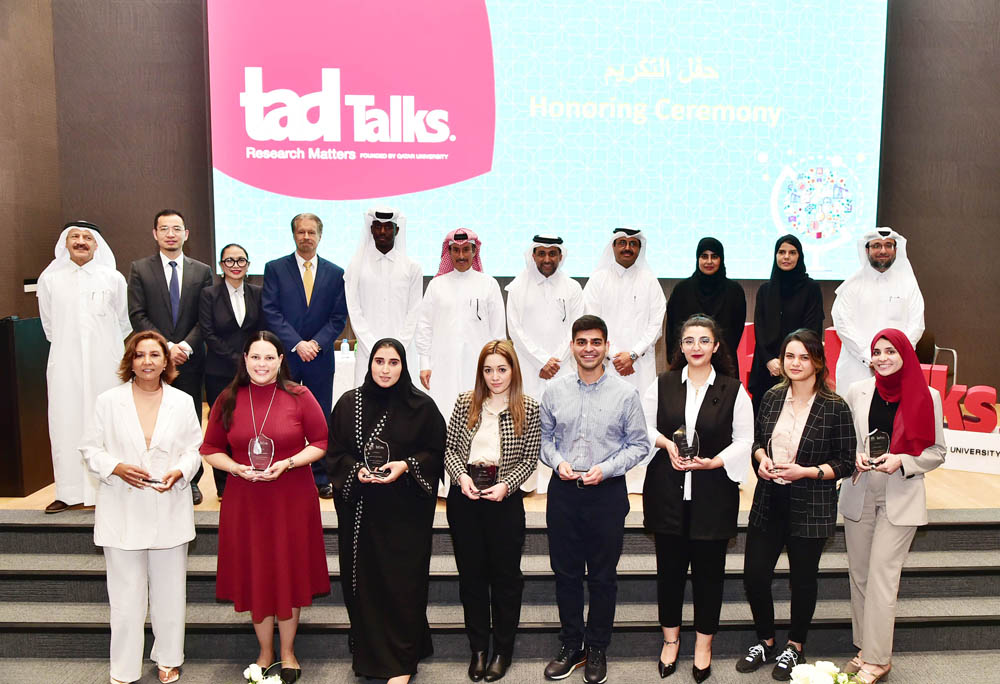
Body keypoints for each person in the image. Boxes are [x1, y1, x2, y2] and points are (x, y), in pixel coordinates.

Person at [200, 331, 330, 684]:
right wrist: (234, 468)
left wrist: (288, 463)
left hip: (291, 496)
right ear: (244, 360)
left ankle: (287, 652)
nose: (262, 364)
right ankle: (265, 652)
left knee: (288, 571)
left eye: (269, 357)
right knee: (256, 571)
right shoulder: (228, 398)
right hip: (246, 499)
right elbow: (210, 448)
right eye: (255, 357)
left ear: (280, 360)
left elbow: (321, 441)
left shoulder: (300, 396)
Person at [80, 330, 203, 684]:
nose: (147, 361)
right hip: (122, 507)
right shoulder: (108, 401)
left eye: (154, 354)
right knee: (125, 598)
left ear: (167, 361)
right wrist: (116, 467)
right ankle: (124, 667)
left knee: (169, 593)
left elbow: (194, 449)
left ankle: (169, 658)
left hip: (169, 505)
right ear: (129, 361)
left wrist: (181, 471)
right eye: (140, 355)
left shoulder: (182, 401)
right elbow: (90, 448)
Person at [736, 329, 855, 680]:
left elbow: (846, 462)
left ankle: (795, 646)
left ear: (817, 361)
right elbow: (758, 440)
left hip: (811, 502)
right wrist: (760, 458)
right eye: (790, 356)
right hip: (769, 498)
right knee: (754, 576)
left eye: (804, 356)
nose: (796, 363)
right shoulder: (772, 396)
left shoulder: (835, 406)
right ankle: (767, 641)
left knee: (803, 580)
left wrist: (807, 471)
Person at [326, 338, 446, 684]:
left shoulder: (421, 407)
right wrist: (357, 472)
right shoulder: (350, 404)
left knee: (403, 586)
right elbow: (336, 453)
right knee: (364, 584)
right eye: (380, 361)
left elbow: (436, 453)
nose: (385, 369)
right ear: (370, 363)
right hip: (363, 512)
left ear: (403, 366)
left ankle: (402, 663)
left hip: (405, 517)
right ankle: (370, 656)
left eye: (393, 362)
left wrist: (406, 465)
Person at [641, 314, 752, 682]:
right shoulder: (663, 383)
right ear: (680, 347)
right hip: (667, 495)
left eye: (704, 341)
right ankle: (670, 641)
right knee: (669, 574)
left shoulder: (734, 390)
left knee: (709, 577)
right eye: (689, 341)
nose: (696, 348)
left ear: (716, 346)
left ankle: (704, 645)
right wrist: (667, 444)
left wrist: (716, 462)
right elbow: (643, 425)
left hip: (712, 495)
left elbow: (744, 440)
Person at [540, 315, 649, 684]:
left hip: (606, 494)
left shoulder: (626, 393)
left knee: (603, 576)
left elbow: (640, 445)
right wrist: (557, 463)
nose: (589, 349)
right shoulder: (554, 391)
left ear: (606, 345)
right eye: (582, 342)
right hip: (564, 493)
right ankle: (572, 645)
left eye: (596, 342)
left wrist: (607, 468)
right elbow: (543, 440)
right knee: (566, 574)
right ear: (571, 346)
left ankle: (598, 647)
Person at [838, 329, 945, 684]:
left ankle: (878, 659)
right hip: (859, 490)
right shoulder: (858, 391)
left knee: (884, 576)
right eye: (877, 352)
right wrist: (852, 456)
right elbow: (845, 441)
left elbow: (937, 452)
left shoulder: (927, 395)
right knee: (861, 576)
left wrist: (902, 461)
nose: (882, 358)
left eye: (890, 351)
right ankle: (865, 648)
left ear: (905, 354)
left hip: (901, 493)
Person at [444, 340, 541, 682]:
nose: (495, 377)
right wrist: (460, 477)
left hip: (504, 500)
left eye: (502, 369)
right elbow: (450, 448)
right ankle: (478, 650)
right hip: (466, 499)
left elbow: (530, 458)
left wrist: (507, 485)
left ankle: (502, 650)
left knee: (505, 580)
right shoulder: (464, 403)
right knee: (471, 578)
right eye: (488, 370)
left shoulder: (528, 407)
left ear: (513, 370)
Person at [37, 220, 131, 513]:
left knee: (106, 423)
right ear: (65, 243)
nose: (80, 241)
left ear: (97, 244)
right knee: (65, 422)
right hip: (65, 365)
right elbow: (49, 327)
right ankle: (68, 491)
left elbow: (123, 322)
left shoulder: (113, 278)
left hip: (105, 364)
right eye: (74, 236)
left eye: (87, 237)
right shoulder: (50, 279)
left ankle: (109, 489)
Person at [128, 209, 214, 505]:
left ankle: (190, 479)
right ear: (155, 234)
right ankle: (153, 473)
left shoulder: (202, 271)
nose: (170, 234)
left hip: (189, 360)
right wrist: (166, 348)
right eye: (164, 229)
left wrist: (184, 347)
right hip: (153, 362)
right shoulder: (140, 269)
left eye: (176, 228)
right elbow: (137, 314)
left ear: (186, 234)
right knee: (153, 419)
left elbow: (206, 317)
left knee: (188, 420)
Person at [262, 212, 348, 499]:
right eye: (301, 232)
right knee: (281, 416)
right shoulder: (275, 268)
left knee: (320, 417)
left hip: (320, 358)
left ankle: (321, 475)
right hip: (286, 357)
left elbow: (338, 318)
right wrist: (298, 343)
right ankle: (282, 469)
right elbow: (270, 310)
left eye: (311, 232)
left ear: (320, 236)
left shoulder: (336, 273)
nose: (306, 237)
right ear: (294, 235)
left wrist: (316, 343)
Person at [505, 234, 582, 493]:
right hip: (528, 368)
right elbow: (514, 330)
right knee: (525, 425)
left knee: (561, 424)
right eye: (541, 253)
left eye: (553, 253)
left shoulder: (572, 288)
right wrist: (541, 360)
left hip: (563, 367)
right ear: (533, 255)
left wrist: (556, 360)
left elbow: (576, 329)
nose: (547, 259)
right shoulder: (517, 288)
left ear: (561, 256)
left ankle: (560, 479)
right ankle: (527, 482)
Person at [414, 228, 505, 429]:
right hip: (442, 365)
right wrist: (424, 363)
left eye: (466, 250)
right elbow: (424, 326)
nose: (461, 255)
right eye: (456, 250)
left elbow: (498, 332)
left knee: (479, 417)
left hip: (479, 365)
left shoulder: (489, 285)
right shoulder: (436, 285)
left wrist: (496, 366)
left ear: (474, 251)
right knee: (443, 413)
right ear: (449, 252)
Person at [199, 243, 262, 499]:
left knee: (251, 426)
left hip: (254, 373)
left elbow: (262, 329)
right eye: (229, 261)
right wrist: (238, 359)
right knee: (222, 427)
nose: (235, 265)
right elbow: (208, 333)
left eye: (241, 260)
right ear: (221, 265)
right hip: (219, 371)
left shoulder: (258, 293)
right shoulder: (209, 294)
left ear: (248, 265)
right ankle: (224, 485)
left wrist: (253, 360)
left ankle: (252, 474)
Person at [831, 228, 925, 393]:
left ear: (896, 250)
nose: (883, 250)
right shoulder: (852, 285)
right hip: (857, 368)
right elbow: (843, 325)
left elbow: (916, 324)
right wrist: (870, 358)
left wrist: (894, 356)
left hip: (897, 366)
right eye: (876, 246)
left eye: (888, 245)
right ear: (867, 250)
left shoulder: (908, 285)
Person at [344, 207, 423, 387]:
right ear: (370, 229)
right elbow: (354, 310)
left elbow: (414, 311)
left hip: (403, 351)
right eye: (377, 226)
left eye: (388, 227)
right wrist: (373, 347)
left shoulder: (412, 268)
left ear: (397, 230)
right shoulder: (356, 267)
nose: (382, 232)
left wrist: (398, 348)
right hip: (367, 351)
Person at [747, 235, 825, 414]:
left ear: (800, 256)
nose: (786, 257)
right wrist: (769, 360)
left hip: (799, 366)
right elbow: (760, 329)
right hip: (768, 368)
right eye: (781, 252)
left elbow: (811, 329)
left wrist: (788, 361)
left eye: (792, 252)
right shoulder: (765, 291)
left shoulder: (811, 289)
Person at [582, 228, 665, 393]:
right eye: (622, 243)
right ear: (613, 246)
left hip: (640, 365)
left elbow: (656, 324)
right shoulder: (598, 280)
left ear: (639, 249)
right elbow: (591, 322)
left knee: (643, 413)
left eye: (633, 244)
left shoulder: (650, 281)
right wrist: (615, 356)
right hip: (607, 363)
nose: (627, 248)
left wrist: (633, 355)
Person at [665, 237, 747, 375]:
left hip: (724, 366)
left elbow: (736, 331)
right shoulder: (682, 290)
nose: (709, 261)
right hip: (687, 365)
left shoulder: (734, 291)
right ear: (697, 259)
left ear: (721, 259)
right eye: (704, 256)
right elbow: (673, 331)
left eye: (714, 256)